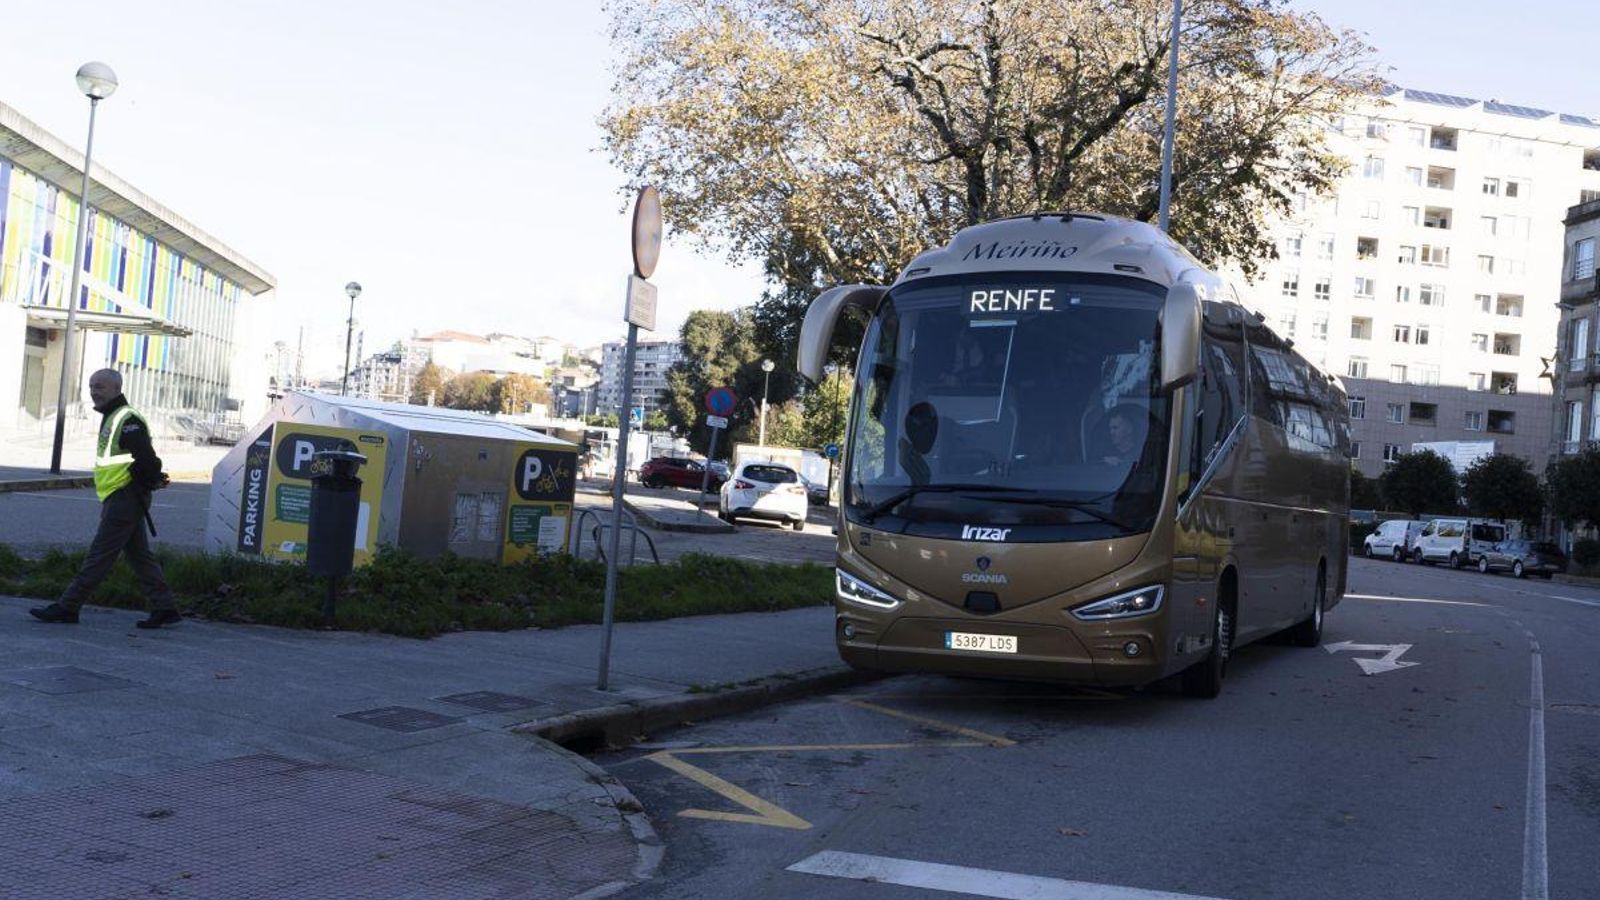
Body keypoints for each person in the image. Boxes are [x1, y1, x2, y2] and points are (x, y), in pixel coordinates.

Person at [29, 369, 180, 629]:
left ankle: (68, 606)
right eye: (91, 386)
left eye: (100, 386)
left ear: (116, 389)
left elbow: (147, 458)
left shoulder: (126, 418)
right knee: (139, 556)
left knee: (99, 555)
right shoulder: (113, 416)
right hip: (121, 496)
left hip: (125, 497)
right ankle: (165, 608)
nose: (94, 391)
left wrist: (148, 478)